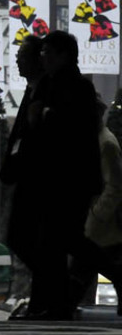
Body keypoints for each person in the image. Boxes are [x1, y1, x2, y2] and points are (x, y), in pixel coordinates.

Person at [20, 30, 103, 319]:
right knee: (55, 241)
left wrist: (43, 115)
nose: (43, 58)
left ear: (63, 55)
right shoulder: (54, 84)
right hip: (59, 178)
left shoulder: (75, 87)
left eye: (48, 53)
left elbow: (69, 130)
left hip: (69, 178)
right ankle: (55, 303)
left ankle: (110, 269)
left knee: (63, 239)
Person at [1, 33, 46, 281]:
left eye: (22, 57)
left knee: (22, 238)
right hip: (25, 176)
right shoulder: (32, 90)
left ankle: (53, 288)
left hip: (36, 178)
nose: (18, 62)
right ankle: (47, 293)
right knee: (25, 239)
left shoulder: (44, 91)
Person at [70, 109, 122, 316]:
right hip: (101, 222)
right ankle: (65, 306)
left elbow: (116, 185)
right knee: (91, 263)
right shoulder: (97, 140)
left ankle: (64, 307)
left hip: (102, 223)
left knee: (88, 261)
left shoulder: (105, 143)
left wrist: (96, 214)